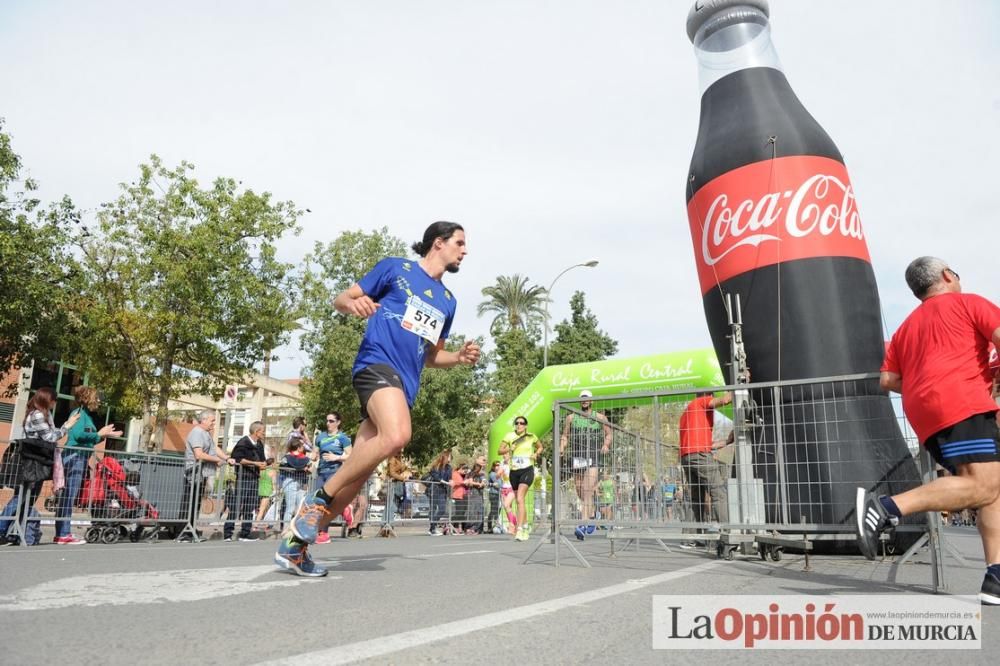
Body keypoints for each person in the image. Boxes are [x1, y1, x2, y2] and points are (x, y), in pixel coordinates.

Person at [276, 221, 479, 575]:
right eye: (460, 243)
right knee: (399, 434)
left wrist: (458, 358)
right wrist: (354, 306)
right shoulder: (395, 269)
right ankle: (318, 498)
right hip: (376, 365)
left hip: (405, 386)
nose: (465, 250)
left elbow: (432, 356)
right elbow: (342, 298)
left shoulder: (448, 301)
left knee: (358, 476)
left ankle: (295, 545)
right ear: (438, 243)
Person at [856, 257, 1000, 605]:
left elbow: (888, 379)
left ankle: (995, 576)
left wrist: (927, 389)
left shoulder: (906, 327)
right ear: (948, 275)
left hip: (926, 410)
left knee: (992, 489)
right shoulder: (969, 303)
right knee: (983, 485)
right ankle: (886, 507)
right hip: (964, 402)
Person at [1, 387, 79, 546]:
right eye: (53, 400)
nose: (55, 403)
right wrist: (66, 426)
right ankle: (1, 529)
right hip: (32, 462)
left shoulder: (43, 414)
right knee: (21, 498)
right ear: (46, 399)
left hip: (37, 461)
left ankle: (13, 532)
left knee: (28, 499)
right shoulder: (37, 415)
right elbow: (50, 437)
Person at [55, 386, 122, 544]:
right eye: (96, 397)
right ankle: (63, 533)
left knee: (69, 497)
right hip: (74, 458)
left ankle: (62, 533)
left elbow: (89, 438)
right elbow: (79, 435)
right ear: (87, 398)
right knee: (68, 497)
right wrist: (99, 434)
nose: (99, 400)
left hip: (80, 458)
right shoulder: (78, 414)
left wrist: (104, 435)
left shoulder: (86, 416)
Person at [678, 389, 732, 543]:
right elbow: (724, 400)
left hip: (687, 457)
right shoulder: (700, 402)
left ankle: (690, 538)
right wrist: (737, 387)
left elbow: (708, 445)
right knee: (718, 492)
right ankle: (727, 536)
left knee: (697, 498)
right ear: (708, 396)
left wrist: (727, 442)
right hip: (699, 455)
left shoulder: (687, 413)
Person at [559, 390, 611, 540]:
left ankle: (582, 524)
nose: (584, 401)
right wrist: (562, 447)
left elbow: (609, 433)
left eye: (587, 399)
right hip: (577, 457)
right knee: (580, 490)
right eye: (582, 399)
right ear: (579, 401)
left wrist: (606, 445)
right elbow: (565, 435)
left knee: (588, 489)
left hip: (593, 457)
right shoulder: (571, 417)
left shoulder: (599, 417)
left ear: (591, 401)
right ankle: (593, 514)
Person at [182, 409, 229, 542]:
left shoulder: (206, 434)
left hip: (202, 473)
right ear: (203, 420)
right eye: (212, 420)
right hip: (194, 473)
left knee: (196, 503)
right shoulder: (197, 433)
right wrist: (216, 460)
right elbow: (199, 454)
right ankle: (186, 532)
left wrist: (226, 458)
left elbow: (215, 449)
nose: (214, 423)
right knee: (191, 503)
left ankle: (192, 529)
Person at [501, 416, 543, 541]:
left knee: (520, 499)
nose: (519, 425)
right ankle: (525, 526)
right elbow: (500, 450)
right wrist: (509, 449)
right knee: (519, 501)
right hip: (514, 471)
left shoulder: (531, 436)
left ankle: (519, 529)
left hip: (527, 469)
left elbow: (540, 447)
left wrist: (536, 454)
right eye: (517, 423)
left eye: (522, 423)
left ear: (526, 425)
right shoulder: (509, 436)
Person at [224, 421, 267, 542]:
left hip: (255, 477)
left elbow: (262, 459)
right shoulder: (243, 442)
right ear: (256, 432)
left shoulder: (259, 444)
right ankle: (228, 533)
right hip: (244, 478)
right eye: (262, 431)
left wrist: (264, 463)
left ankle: (245, 533)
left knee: (250, 506)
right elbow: (237, 459)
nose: (264, 433)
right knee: (237, 505)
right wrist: (254, 463)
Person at [314, 412, 352, 544]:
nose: (328, 424)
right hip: (321, 472)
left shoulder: (343, 438)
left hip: (334, 471)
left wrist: (337, 457)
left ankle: (324, 532)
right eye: (327, 421)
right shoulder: (320, 437)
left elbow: (351, 456)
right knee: (319, 502)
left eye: (331, 421)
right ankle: (323, 532)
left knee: (326, 501)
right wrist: (310, 457)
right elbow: (314, 453)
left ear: (338, 422)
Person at [279, 438, 311, 532]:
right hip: (291, 482)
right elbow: (283, 468)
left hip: (299, 482)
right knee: (291, 507)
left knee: (299, 508)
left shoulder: (290, 458)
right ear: (298, 447)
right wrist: (302, 469)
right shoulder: (288, 457)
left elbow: (309, 469)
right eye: (302, 446)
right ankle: (286, 529)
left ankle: (297, 529)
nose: (303, 448)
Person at [426, 449, 454, 536]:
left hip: (443, 490)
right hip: (434, 489)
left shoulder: (449, 467)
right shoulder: (436, 466)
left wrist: (451, 482)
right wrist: (446, 482)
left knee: (442, 509)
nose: (450, 458)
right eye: (449, 456)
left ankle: (432, 527)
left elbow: (449, 478)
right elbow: (436, 477)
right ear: (445, 457)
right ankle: (432, 529)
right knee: (433, 509)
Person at [382, 453, 411, 537]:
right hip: (392, 484)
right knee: (390, 505)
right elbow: (392, 473)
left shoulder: (398, 459)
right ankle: (386, 526)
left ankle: (387, 526)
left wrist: (405, 466)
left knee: (393, 505)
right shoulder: (392, 459)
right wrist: (403, 478)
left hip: (397, 484)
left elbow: (398, 471)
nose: (402, 451)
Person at [464, 457, 486, 535]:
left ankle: (477, 528)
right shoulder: (471, 473)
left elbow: (483, 483)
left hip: (479, 494)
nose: (478, 468)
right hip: (472, 494)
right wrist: (477, 484)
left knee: (478, 511)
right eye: (477, 466)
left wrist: (481, 484)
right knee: (471, 512)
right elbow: (469, 482)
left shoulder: (482, 474)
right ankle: (469, 527)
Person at [450, 463, 469, 534]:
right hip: (457, 495)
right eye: (463, 469)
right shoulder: (455, 473)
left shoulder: (463, 475)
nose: (465, 471)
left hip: (464, 495)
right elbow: (455, 482)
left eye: (466, 469)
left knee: (463, 512)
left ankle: (457, 527)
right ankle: (451, 523)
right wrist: (463, 482)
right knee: (459, 512)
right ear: (460, 468)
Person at [486, 461, 502, 533]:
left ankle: (495, 525)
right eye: (496, 465)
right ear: (493, 467)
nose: (498, 467)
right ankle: (490, 526)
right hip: (493, 493)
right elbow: (498, 484)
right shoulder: (493, 474)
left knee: (498, 509)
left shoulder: (499, 474)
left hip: (498, 494)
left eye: (499, 465)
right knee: (493, 510)